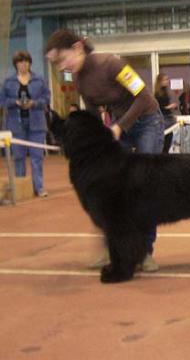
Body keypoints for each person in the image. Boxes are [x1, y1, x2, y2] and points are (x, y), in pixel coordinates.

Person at [45, 29, 163, 272]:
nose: (61, 67)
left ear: (78, 47)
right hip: (118, 127)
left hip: (147, 121)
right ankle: (113, 248)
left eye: (62, 59)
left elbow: (143, 96)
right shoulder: (78, 80)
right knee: (107, 191)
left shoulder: (112, 63)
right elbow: (92, 115)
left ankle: (146, 252)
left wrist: (121, 126)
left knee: (146, 187)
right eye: (56, 64)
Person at [1, 51, 51, 197]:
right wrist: (14, 102)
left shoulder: (39, 80)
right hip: (15, 124)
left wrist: (34, 103)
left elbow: (46, 99)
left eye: (26, 61)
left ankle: (39, 187)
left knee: (37, 157)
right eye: (20, 62)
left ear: (30, 63)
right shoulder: (8, 82)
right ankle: (21, 187)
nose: (23, 64)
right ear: (15, 64)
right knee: (18, 157)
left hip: (37, 123)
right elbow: (2, 101)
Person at [154, 73, 178, 153]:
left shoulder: (166, 92)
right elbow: (158, 107)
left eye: (167, 79)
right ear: (160, 81)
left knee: (168, 140)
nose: (167, 81)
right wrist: (169, 107)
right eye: (165, 79)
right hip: (163, 119)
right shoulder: (157, 94)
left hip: (168, 117)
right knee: (165, 141)